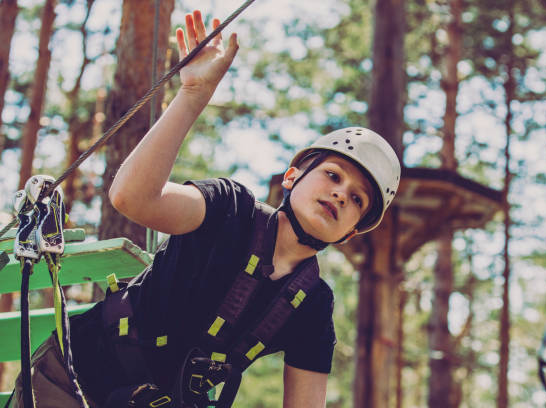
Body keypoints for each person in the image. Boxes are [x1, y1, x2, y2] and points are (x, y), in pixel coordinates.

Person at [8, 10, 401, 408]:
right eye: (333, 176)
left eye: (356, 199)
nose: (340, 195)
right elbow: (132, 198)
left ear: (351, 232)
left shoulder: (312, 305)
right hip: (74, 378)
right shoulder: (229, 209)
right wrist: (193, 94)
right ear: (291, 176)